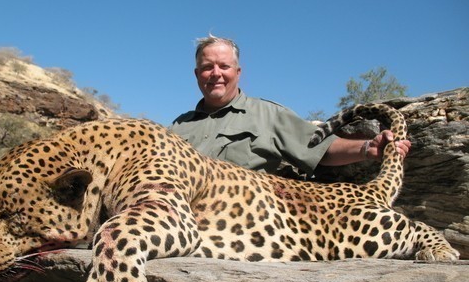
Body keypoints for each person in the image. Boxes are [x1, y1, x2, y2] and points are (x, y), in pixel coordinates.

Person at [170, 35, 411, 176]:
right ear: (196, 74)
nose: (215, 74)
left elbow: (320, 149)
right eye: (206, 67)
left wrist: (368, 148)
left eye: (224, 66)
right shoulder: (178, 127)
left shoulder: (268, 114)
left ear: (238, 72)